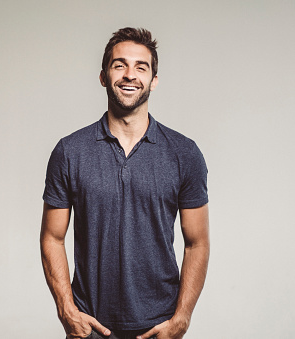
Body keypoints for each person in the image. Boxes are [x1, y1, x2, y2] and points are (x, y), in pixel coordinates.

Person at [40, 27, 209, 339]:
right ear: (104, 76)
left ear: (153, 81)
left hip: (160, 327)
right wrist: (66, 310)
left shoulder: (184, 153)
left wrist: (182, 318)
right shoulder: (70, 152)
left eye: (141, 67)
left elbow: (197, 242)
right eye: (119, 65)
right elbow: (52, 237)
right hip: (89, 327)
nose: (130, 75)